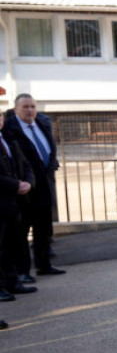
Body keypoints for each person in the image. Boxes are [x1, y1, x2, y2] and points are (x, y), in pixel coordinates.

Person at [2, 94, 63, 278]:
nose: (30, 110)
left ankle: (44, 265)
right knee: (22, 232)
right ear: (16, 109)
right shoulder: (10, 129)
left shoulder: (42, 125)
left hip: (45, 185)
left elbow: (49, 151)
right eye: (25, 107)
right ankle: (23, 271)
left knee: (43, 228)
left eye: (32, 107)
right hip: (24, 189)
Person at [0, 109, 36, 315]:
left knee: (12, 245)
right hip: (3, 200)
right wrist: (15, 185)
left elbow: (24, 164)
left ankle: (12, 282)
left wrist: (28, 183)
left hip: (13, 204)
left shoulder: (7, 139)